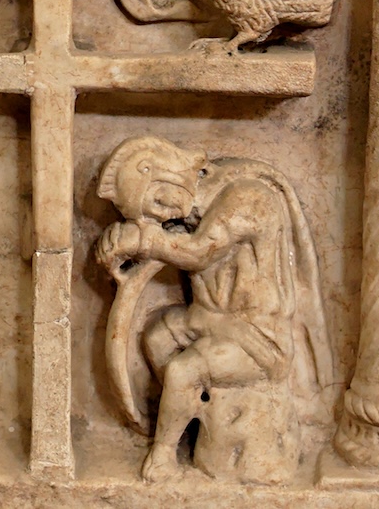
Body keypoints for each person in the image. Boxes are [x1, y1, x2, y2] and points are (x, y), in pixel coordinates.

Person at [97, 136, 331, 483]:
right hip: (210, 322)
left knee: (182, 371)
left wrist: (144, 241)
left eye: (156, 205)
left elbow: (201, 251)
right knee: (158, 337)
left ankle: (162, 456)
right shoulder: (191, 212)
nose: (161, 218)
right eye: (150, 215)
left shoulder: (248, 197)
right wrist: (123, 269)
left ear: (168, 176)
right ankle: (191, 414)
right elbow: (170, 250)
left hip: (258, 337)